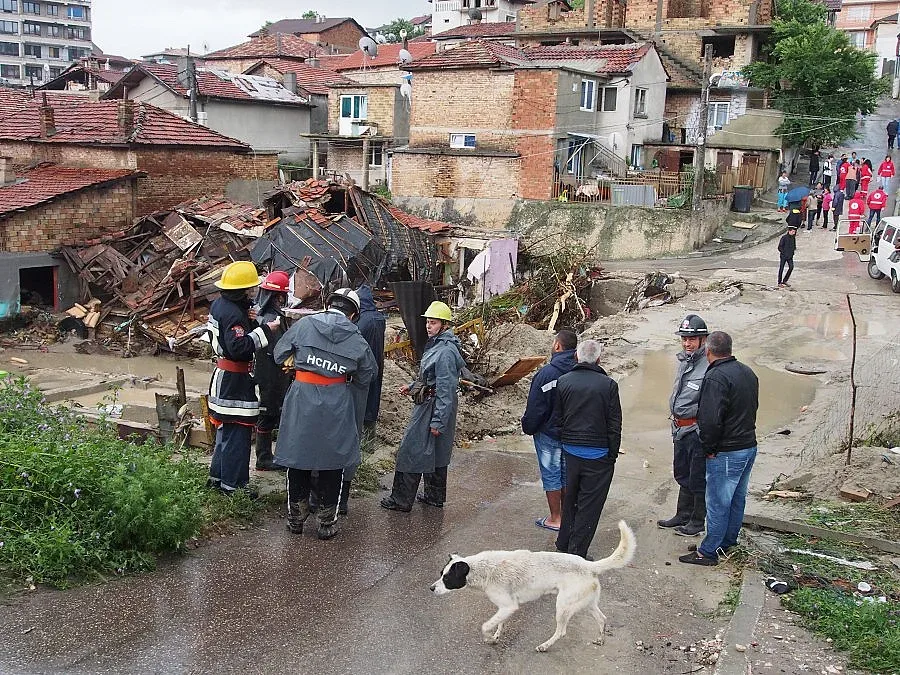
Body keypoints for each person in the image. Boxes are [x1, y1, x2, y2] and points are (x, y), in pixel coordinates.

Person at [273, 288, 377, 540]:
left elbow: (279, 355)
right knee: (334, 460)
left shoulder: (304, 324)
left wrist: (298, 363)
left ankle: (296, 519)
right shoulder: (356, 336)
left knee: (298, 456)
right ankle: (326, 522)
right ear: (353, 314)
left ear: (328, 304)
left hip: (302, 397)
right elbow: (368, 373)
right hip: (337, 401)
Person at [679, 331, 758, 566]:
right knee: (737, 498)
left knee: (718, 502)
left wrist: (709, 448)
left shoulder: (715, 378)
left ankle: (709, 551)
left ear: (708, 351)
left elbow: (711, 419)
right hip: (748, 445)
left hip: (726, 450)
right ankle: (727, 541)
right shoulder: (747, 372)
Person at [381, 301, 465, 512]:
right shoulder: (441, 345)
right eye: (428, 322)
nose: (428, 326)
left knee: (411, 449)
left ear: (444, 325)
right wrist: (411, 387)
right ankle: (434, 496)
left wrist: (438, 421)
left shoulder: (444, 352)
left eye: (433, 323)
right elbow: (432, 378)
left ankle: (401, 500)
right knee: (437, 451)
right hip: (434, 402)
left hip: (433, 405)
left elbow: (445, 388)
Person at [207, 261, 280, 495]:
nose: (251, 294)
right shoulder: (233, 314)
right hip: (234, 382)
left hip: (224, 378)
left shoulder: (220, 305)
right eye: (249, 290)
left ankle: (218, 479)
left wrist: (249, 318)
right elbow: (238, 347)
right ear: (240, 290)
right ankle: (234, 488)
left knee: (225, 433)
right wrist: (265, 330)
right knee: (237, 435)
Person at [553, 339, 622, 560]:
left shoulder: (563, 382)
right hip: (598, 454)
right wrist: (612, 454)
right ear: (599, 359)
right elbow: (614, 424)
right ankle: (577, 554)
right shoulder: (609, 385)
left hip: (571, 451)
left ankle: (563, 543)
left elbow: (558, 417)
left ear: (576, 357)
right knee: (589, 506)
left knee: (571, 498)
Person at [657, 315, 709, 536]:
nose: (687, 343)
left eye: (692, 339)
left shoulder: (708, 365)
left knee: (698, 477)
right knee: (682, 473)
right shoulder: (684, 361)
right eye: (685, 339)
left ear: (703, 339)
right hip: (679, 429)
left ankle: (697, 521)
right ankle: (682, 515)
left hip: (695, 430)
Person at [521, 329, 578, 532]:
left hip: (549, 434)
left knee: (552, 475)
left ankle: (556, 518)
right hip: (572, 434)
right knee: (566, 475)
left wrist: (528, 427)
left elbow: (536, 408)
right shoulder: (580, 371)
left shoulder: (546, 374)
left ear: (557, 346)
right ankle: (568, 516)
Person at [345, 283, 386, 515]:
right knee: (373, 403)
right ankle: (370, 445)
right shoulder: (379, 319)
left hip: (362, 369)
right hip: (376, 365)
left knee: (360, 408)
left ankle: (363, 447)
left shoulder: (362, 321)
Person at [253, 271, 293, 472]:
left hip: (268, 373)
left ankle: (266, 455)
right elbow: (279, 351)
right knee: (268, 414)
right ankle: (264, 457)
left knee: (268, 414)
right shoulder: (272, 319)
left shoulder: (264, 315)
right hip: (271, 375)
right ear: (279, 296)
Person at [777, 224, 797, 288]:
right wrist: (784, 253)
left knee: (791, 267)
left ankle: (785, 280)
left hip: (790, 256)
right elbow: (779, 247)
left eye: (794, 232)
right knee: (781, 269)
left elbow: (794, 246)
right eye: (793, 232)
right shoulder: (784, 237)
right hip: (783, 256)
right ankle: (779, 282)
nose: (794, 233)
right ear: (789, 231)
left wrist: (792, 252)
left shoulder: (793, 238)